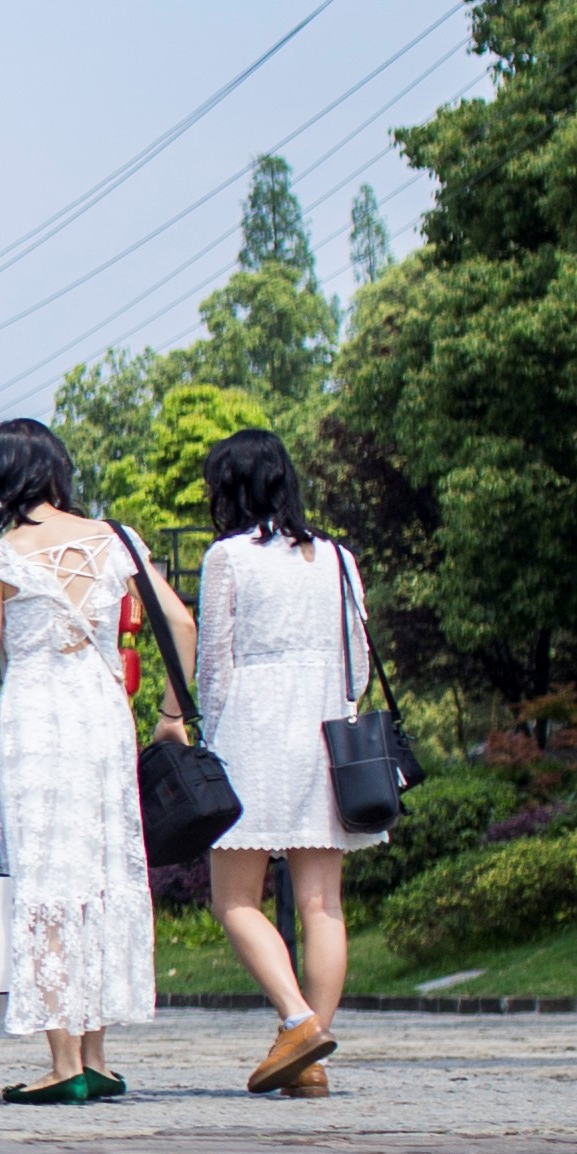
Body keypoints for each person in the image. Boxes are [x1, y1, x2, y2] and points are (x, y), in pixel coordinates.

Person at [0, 418, 189, 1104]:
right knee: (101, 873)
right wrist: (170, 718)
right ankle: (100, 1054)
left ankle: (62, 1061)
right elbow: (184, 625)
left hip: (37, 728)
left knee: (46, 879)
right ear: (55, 470)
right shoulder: (116, 540)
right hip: (103, 721)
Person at [191, 427, 373, 1096]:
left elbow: (214, 666)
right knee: (324, 901)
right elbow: (356, 658)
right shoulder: (336, 557)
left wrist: (210, 735)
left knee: (234, 896)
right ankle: (311, 1055)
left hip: (254, 733)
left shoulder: (229, 558)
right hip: (327, 729)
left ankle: (298, 1022)